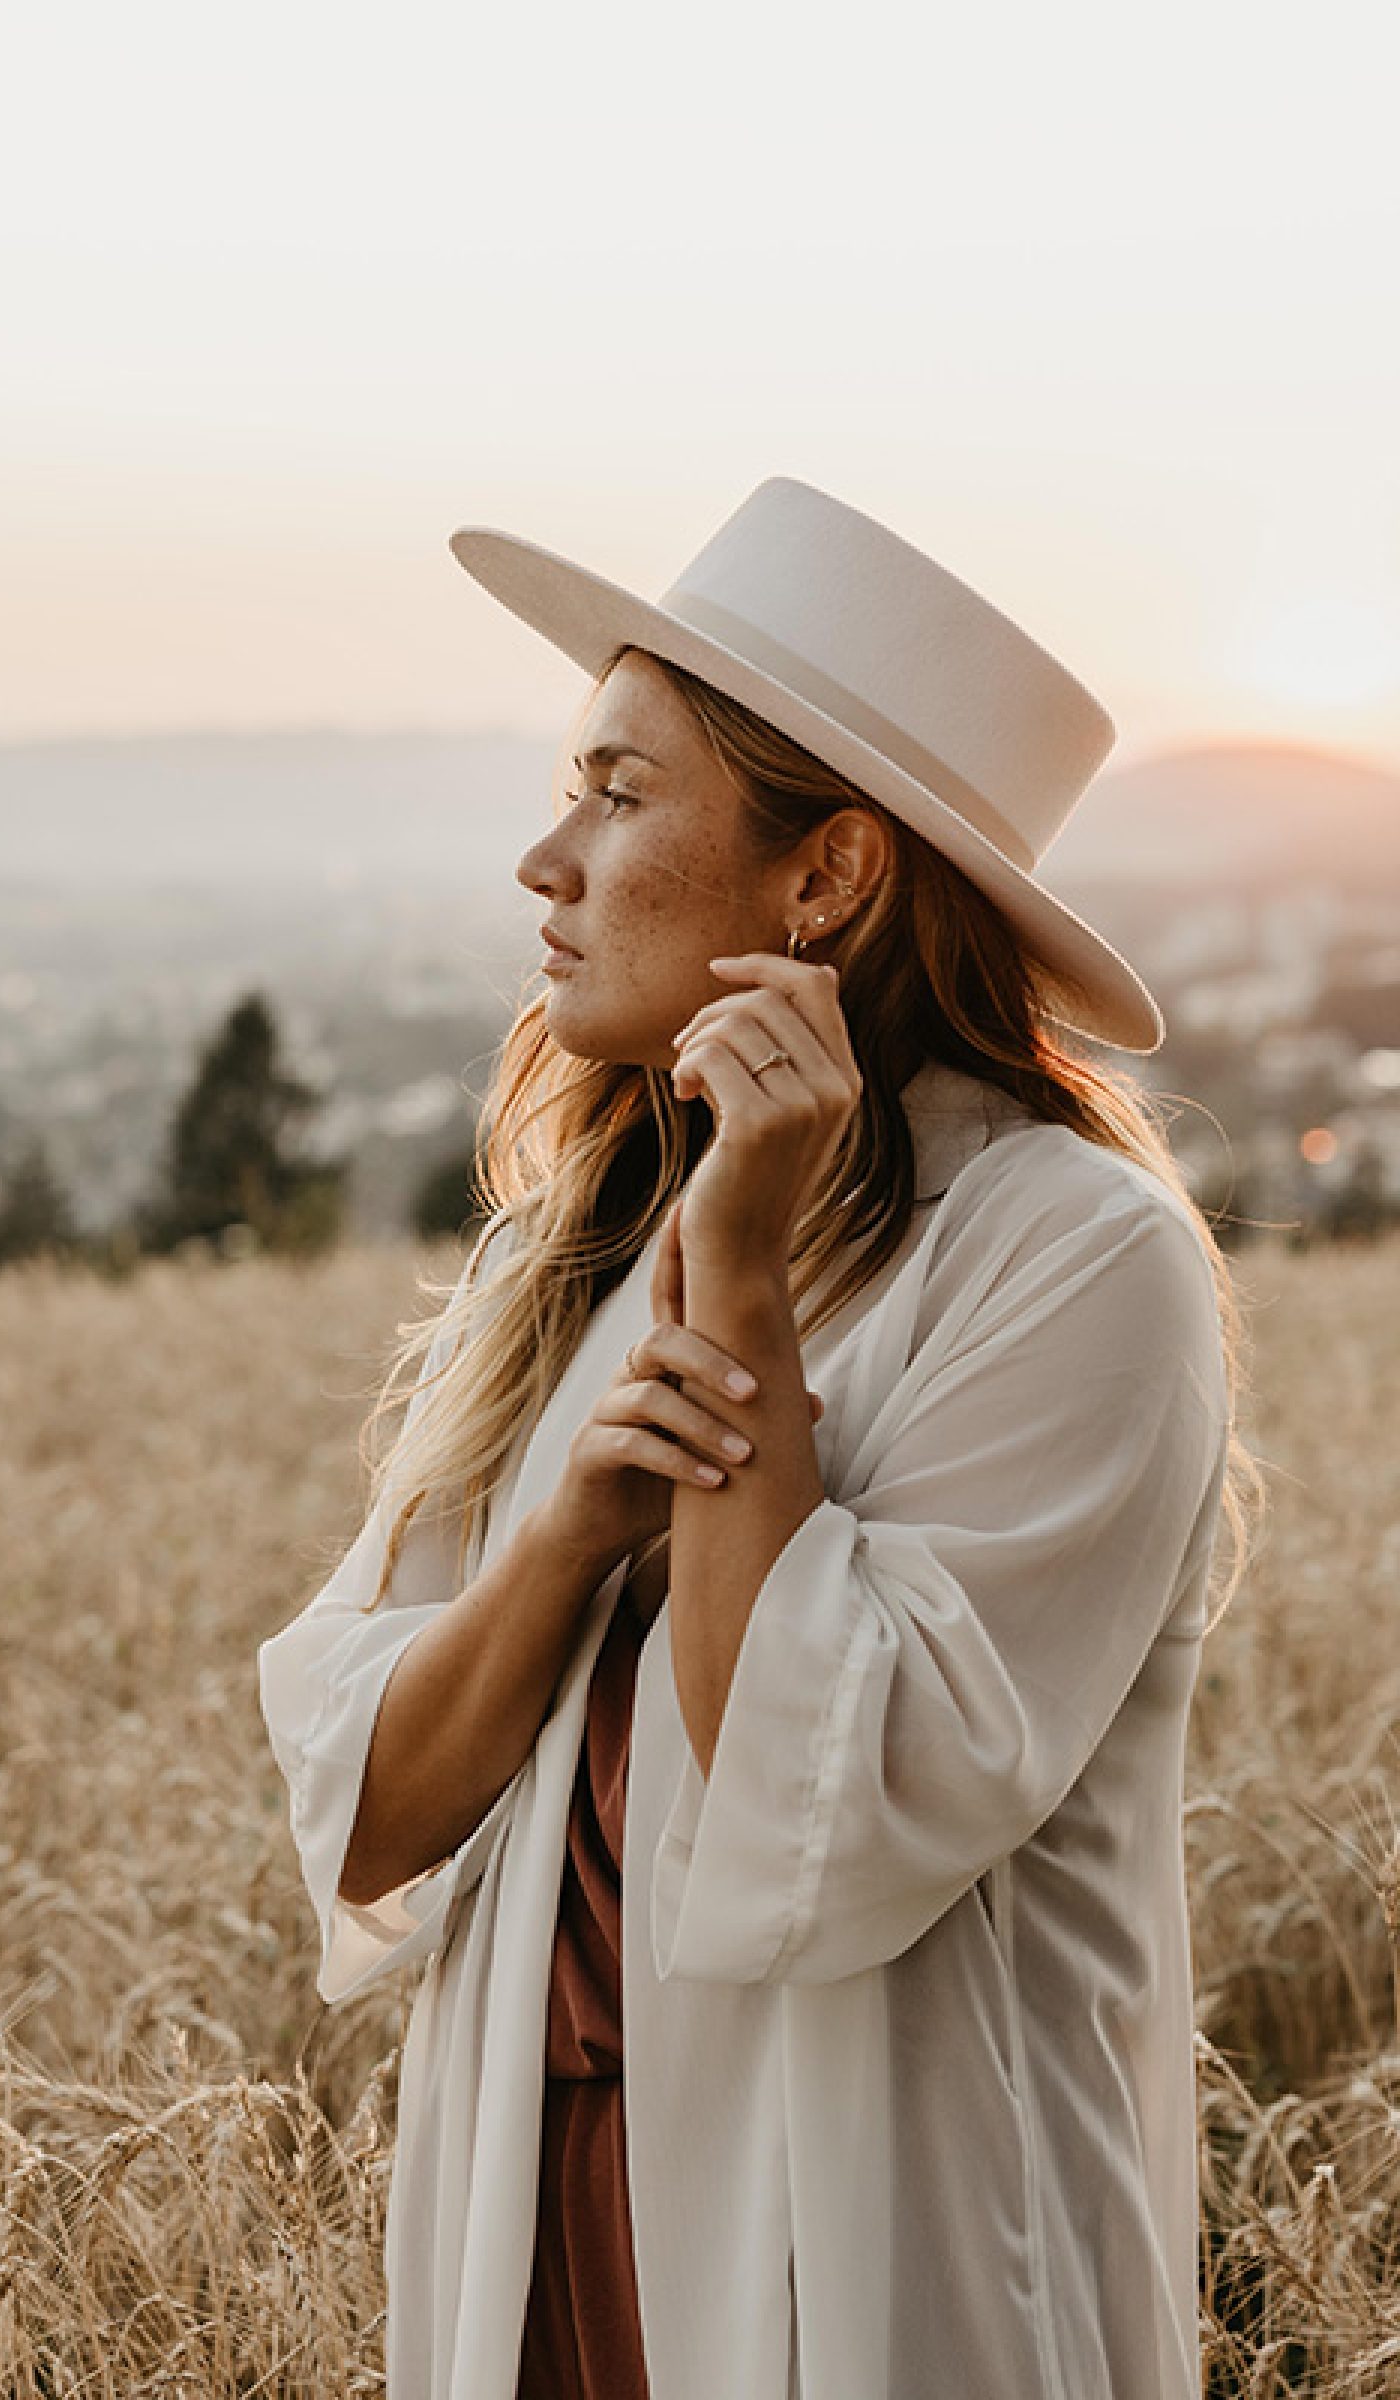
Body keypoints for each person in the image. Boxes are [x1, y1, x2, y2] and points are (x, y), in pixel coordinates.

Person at [256, 474, 1260, 2400]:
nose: (545, 862)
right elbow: (373, 1812)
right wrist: (560, 1540)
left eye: (622, 796)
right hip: (542, 2232)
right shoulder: (575, 1248)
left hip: (894, 2246)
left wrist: (746, 1285)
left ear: (829, 881)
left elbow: (824, 1795)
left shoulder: (1075, 1256)